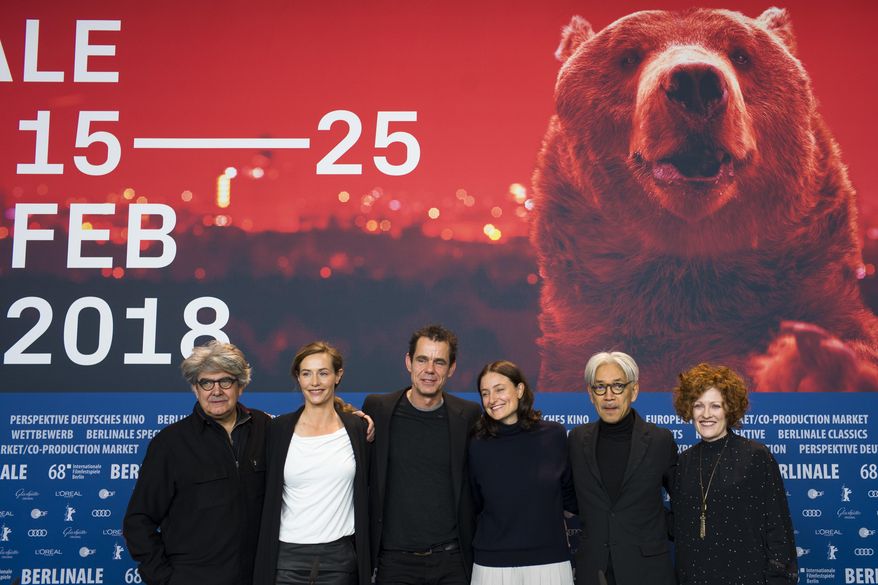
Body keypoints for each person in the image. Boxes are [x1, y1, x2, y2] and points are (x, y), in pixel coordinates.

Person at [123, 341, 270, 585]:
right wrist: (165, 578)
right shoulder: (170, 443)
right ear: (195, 388)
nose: (216, 391)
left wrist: (347, 420)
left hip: (257, 577)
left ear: (240, 386)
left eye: (225, 381)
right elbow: (139, 520)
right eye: (206, 383)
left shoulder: (265, 428)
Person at [362, 324, 482, 585]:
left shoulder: (469, 415)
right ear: (408, 362)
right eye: (422, 360)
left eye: (439, 362)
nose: (430, 370)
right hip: (394, 563)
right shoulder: (377, 409)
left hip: (452, 562)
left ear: (451, 368)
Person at [253, 341, 371, 585]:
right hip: (286, 558)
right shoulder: (277, 430)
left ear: (338, 376)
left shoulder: (357, 429)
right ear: (298, 378)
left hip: (340, 558)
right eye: (306, 373)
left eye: (323, 373)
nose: (314, 382)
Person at [672, 363, 797, 585]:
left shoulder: (755, 455)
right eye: (698, 406)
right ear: (689, 409)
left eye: (715, 406)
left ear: (729, 409)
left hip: (748, 577)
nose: (706, 414)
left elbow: (778, 527)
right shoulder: (684, 463)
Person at [567, 351, 677, 585]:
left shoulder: (660, 440)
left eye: (618, 386)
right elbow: (571, 499)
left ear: (634, 391)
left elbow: (685, 504)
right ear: (590, 394)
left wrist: (652, 527)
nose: (609, 396)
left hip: (648, 571)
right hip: (593, 570)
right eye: (600, 387)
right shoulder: (577, 440)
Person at [468, 360, 577, 585]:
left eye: (500, 389)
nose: (492, 399)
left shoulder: (553, 436)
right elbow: (474, 503)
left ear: (519, 390)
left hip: (550, 563)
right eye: (485, 393)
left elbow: (569, 498)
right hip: (492, 566)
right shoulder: (477, 444)